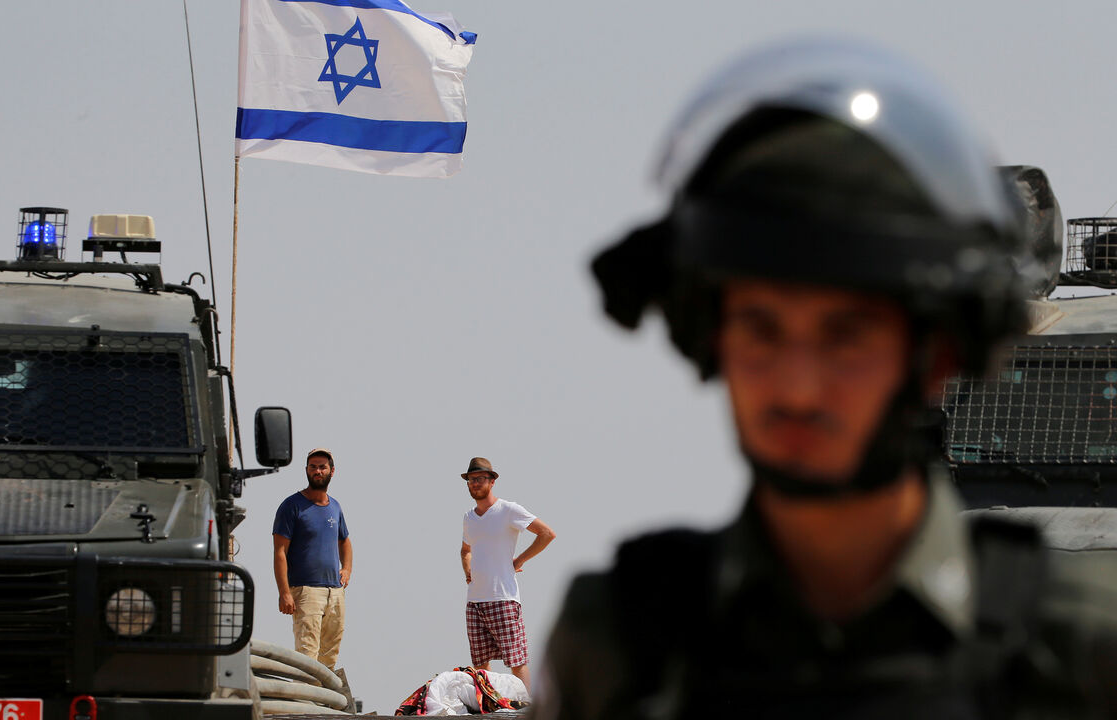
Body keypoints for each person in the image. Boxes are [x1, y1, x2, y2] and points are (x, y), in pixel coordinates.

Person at [536, 38, 1117, 719]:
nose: (799, 384)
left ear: (933, 358)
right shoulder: (620, 643)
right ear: (707, 342)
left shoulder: (1078, 644)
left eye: (846, 337)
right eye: (762, 330)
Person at [460, 456, 556, 694]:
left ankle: (528, 710)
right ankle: (490, 707)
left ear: (492, 481)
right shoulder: (469, 518)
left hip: (503, 597)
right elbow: (465, 550)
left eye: (480, 479)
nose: (475, 483)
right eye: (471, 480)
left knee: (516, 660)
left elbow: (546, 533)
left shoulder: (508, 510)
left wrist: (520, 560)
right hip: (475, 601)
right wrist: (468, 570)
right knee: (481, 664)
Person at [273, 447, 352, 670]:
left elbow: (345, 541)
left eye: (322, 467)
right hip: (306, 591)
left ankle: (322, 703)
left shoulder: (335, 506)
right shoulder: (292, 506)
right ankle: (305, 701)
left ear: (331, 471)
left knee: (329, 655)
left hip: (335, 592)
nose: (317, 471)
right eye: (313, 467)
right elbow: (280, 551)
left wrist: (346, 569)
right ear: (306, 471)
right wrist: (284, 592)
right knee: (307, 655)